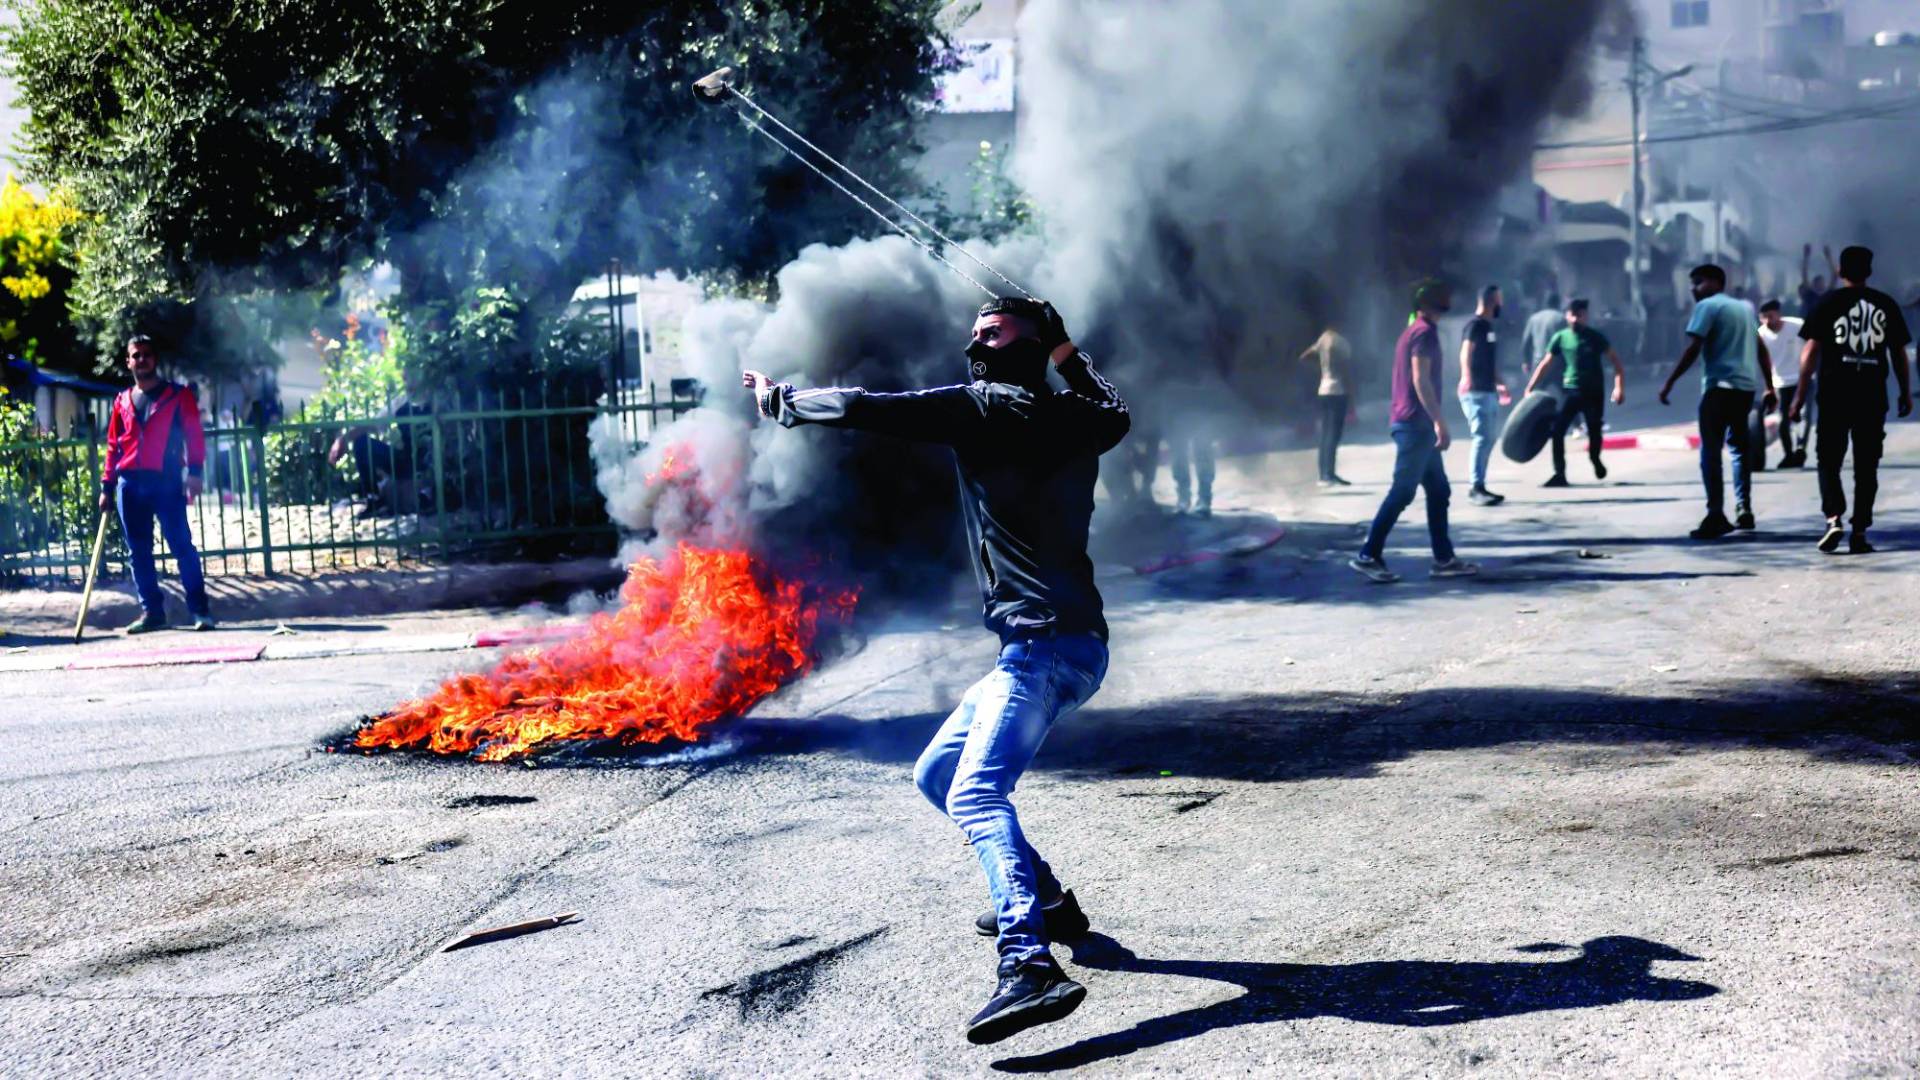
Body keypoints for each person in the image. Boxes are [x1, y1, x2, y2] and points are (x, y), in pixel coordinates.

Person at [742, 296, 1129, 1045]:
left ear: (1024, 345)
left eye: (993, 331)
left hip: (1042, 648)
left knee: (978, 793)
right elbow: (1115, 408)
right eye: (975, 330)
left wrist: (780, 401)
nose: (976, 340)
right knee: (937, 776)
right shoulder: (1078, 415)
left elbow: (870, 406)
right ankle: (1049, 902)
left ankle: (1029, 963)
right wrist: (1063, 349)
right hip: (1070, 647)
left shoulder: (982, 406)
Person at [1349, 279, 1479, 584]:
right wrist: (1439, 421)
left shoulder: (1415, 331)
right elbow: (1421, 379)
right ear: (1427, 304)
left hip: (1415, 425)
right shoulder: (1423, 333)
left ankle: (1444, 560)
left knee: (1439, 491)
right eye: (1441, 297)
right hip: (1415, 425)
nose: (1447, 301)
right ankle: (1368, 555)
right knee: (1403, 491)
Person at [1791, 245, 1913, 554]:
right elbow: (1898, 353)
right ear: (1869, 271)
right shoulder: (1885, 304)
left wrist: (1799, 396)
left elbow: (1810, 352)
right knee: (1866, 465)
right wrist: (1904, 391)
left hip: (1834, 394)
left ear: (1840, 271)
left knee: (1828, 460)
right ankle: (1859, 530)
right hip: (1871, 396)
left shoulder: (1827, 302)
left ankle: (1834, 517)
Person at [97, 335, 212, 633]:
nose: (142, 359)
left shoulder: (178, 395)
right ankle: (152, 613)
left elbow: (194, 435)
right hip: (129, 484)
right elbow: (113, 445)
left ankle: (200, 611)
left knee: (181, 546)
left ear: (155, 359)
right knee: (138, 552)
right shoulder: (122, 400)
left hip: (166, 481)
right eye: (136, 355)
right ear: (128, 362)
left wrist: (195, 472)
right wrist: (107, 486)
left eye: (147, 354)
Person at [1658, 264, 1776, 540]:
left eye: (1698, 282)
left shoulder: (1707, 307)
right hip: (1745, 390)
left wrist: (1670, 382)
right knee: (1739, 450)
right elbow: (1761, 349)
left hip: (1719, 388)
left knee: (1710, 451)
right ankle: (1744, 508)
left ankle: (1715, 514)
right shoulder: (1744, 309)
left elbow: (1693, 348)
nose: (1693, 288)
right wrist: (1769, 387)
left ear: (1715, 282)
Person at [1523, 299, 1626, 488]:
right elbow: (1546, 363)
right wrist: (1531, 386)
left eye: (1579, 315)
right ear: (1566, 316)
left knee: (1594, 430)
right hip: (1570, 391)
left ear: (1585, 316)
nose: (1575, 319)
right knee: (1558, 431)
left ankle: (1595, 459)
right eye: (1572, 315)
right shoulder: (1560, 337)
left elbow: (1616, 362)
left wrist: (1618, 387)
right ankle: (1559, 474)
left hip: (1593, 392)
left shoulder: (1595, 337)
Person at [327, 376, 435, 518]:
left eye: (409, 375)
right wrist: (343, 440)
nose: (406, 379)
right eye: (405, 377)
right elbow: (374, 424)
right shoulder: (401, 402)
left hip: (433, 458)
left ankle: (429, 497)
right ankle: (374, 498)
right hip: (407, 460)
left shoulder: (438, 398)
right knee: (361, 443)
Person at [1458, 284, 1510, 505]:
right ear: (1490, 302)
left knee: (1489, 438)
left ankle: (1481, 485)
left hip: (1488, 390)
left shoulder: (1489, 327)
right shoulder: (1475, 326)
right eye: (1499, 300)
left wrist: (1500, 383)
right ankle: (1475, 487)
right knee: (1481, 437)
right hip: (1475, 391)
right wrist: (1466, 376)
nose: (1501, 305)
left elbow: (1489, 361)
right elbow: (1465, 352)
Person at [1757, 300, 1808, 468]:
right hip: (1780, 382)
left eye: (1770, 316)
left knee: (1803, 415)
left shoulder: (1797, 325)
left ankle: (1800, 448)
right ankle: (1788, 454)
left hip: (1802, 378)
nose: (1767, 321)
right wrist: (1768, 387)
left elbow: (1813, 345)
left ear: (1779, 314)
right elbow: (1761, 360)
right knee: (1782, 420)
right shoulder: (1761, 334)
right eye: (1763, 318)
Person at [1299, 325, 1353, 486]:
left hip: (1323, 389)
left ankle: (1324, 473)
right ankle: (1329, 474)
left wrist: (1322, 370)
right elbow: (1345, 370)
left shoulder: (1322, 339)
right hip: (1338, 390)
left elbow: (1304, 357)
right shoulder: (1341, 342)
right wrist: (1351, 394)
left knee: (1325, 434)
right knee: (1334, 434)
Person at [1518, 291, 1564, 385]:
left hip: (1539, 362)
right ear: (1558, 303)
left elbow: (1526, 342)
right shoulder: (1562, 319)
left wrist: (1525, 361)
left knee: (1536, 390)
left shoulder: (1534, 318)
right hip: (1557, 363)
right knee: (1567, 391)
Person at [1799, 243, 1836, 318]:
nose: (1821, 285)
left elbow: (1834, 277)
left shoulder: (1827, 295)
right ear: (1814, 285)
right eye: (1819, 283)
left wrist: (1829, 257)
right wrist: (1806, 257)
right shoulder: (1811, 295)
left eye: (1822, 283)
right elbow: (1804, 275)